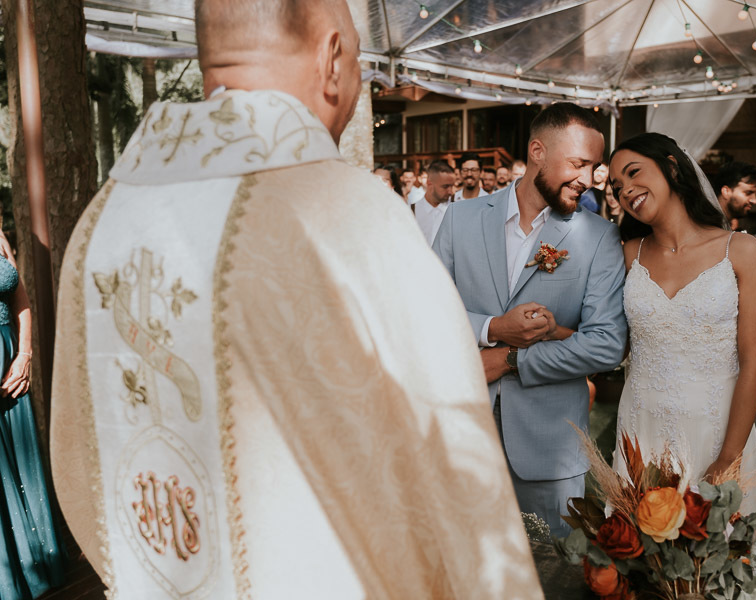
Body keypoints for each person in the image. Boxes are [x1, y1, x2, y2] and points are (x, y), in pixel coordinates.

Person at [49, 1, 542, 597]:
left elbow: (79, 451)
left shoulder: (102, 222)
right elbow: (454, 459)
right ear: (332, 58)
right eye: (358, 60)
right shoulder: (348, 212)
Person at [608, 132, 756, 600]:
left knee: (723, 573)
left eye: (633, 173)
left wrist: (728, 457)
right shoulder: (629, 253)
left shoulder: (741, 250)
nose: (625, 189)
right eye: (615, 186)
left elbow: (753, 362)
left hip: (716, 434)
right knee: (646, 571)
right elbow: (608, 342)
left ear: (672, 167)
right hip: (641, 432)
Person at [434, 103, 628, 536]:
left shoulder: (600, 237)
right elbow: (423, 309)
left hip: (550, 451)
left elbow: (606, 343)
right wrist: (493, 329)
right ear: (537, 151)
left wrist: (509, 360)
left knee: (553, 568)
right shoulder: (460, 218)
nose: (588, 178)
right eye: (578, 163)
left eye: (594, 167)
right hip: (461, 436)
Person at [0, 235, 65, 598]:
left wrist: (24, 354)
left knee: (23, 461)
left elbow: (19, 296)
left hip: (11, 360)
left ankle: (41, 563)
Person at [413, 160, 456, 246]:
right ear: (429, 183)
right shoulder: (412, 211)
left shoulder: (456, 211)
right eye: (445, 186)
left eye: (452, 186)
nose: (450, 191)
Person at [712, 161, 756, 230]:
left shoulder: (727, 223)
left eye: (755, 194)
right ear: (726, 191)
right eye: (748, 193)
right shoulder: (707, 225)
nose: (755, 201)